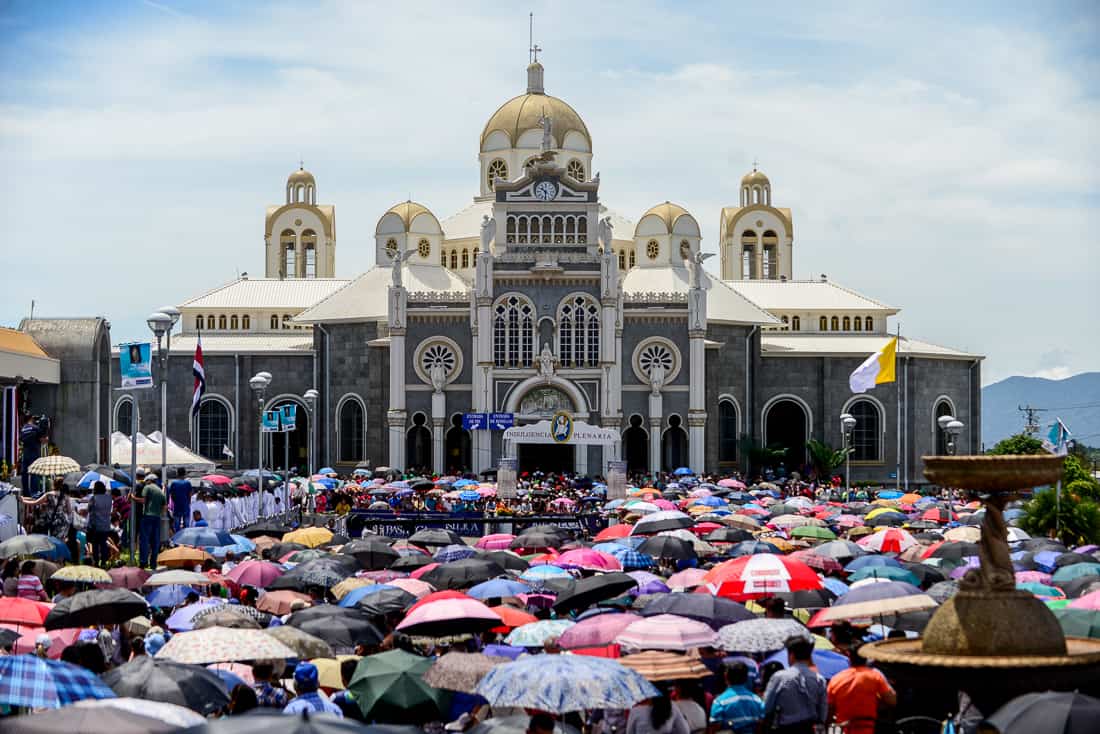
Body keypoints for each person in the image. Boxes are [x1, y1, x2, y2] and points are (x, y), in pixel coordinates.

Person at [762, 637, 828, 734]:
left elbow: (767, 707)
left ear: (791, 655)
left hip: (785, 729)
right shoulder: (820, 679)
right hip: (809, 729)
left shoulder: (779, 677)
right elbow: (823, 712)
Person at [826, 649, 896, 734]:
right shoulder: (875, 676)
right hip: (867, 728)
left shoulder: (836, 679)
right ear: (866, 658)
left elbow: (829, 709)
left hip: (842, 728)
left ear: (850, 658)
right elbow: (892, 701)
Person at [709, 662, 764, 734]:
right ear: (746, 678)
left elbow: (715, 726)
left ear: (725, 677)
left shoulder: (720, 702)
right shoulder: (757, 700)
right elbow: (761, 724)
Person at [132, 475, 167, 569]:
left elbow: (143, 500)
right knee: (155, 541)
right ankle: (153, 563)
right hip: (157, 518)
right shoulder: (160, 491)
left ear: (149, 481)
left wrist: (133, 498)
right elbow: (164, 507)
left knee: (144, 540)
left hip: (147, 516)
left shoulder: (147, 487)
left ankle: (143, 562)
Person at [87, 480, 114, 567]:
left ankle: (96, 561)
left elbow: (89, 509)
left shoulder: (93, 498)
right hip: (106, 525)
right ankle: (103, 562)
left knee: (95, 544)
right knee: (103, 544)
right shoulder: (109, 498)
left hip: (95, 525)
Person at [18, 415, 43, 495]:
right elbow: (42, 438)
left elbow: (21, 439)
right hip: (34, 452)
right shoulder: (35, 427)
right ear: (31, 419)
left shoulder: (23, 429)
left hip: (25, 453)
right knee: (34, 472)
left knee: (24, 473)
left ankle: (25, 492)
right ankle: (34, 492)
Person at [169, 467, 192, 533]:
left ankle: (177, 540)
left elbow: (172, 495)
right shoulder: (187, 483)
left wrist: (175, 501)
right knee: (186, 525)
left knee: (177, 525)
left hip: (177, 506)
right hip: (185, 506)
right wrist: (188, 502)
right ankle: (186, 540)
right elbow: (190, 495)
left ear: (177, 473)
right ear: (184, 473)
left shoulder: (174, 483)